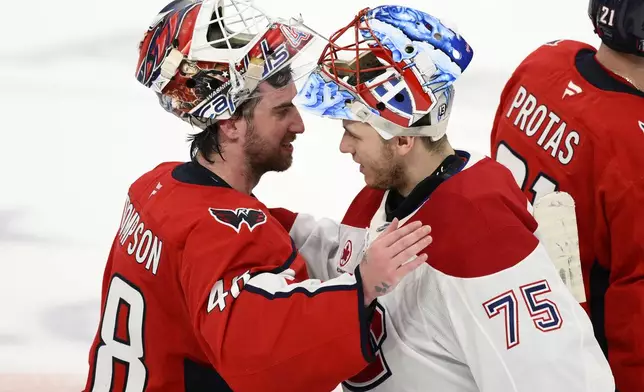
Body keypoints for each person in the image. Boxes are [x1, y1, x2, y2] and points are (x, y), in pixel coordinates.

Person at [82, 1, 433, 391]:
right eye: (281, 111)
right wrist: (363, 285)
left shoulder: (154, 188)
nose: (299, 124)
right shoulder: (224, 232)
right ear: (229, 123)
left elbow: (244, 230)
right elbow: (260, 362)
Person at [271, 5, 615, 391]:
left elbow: (559, 380)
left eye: (352, 131)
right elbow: (350, 260)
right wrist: (258, 220)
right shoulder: (385, 195)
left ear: (402, 138)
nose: (343, 146)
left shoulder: (479, 239)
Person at [489, 1, 644, 390]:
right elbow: (637, 303)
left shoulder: (544, 61)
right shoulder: (631, 143)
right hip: (585, 359)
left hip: (511, 321)